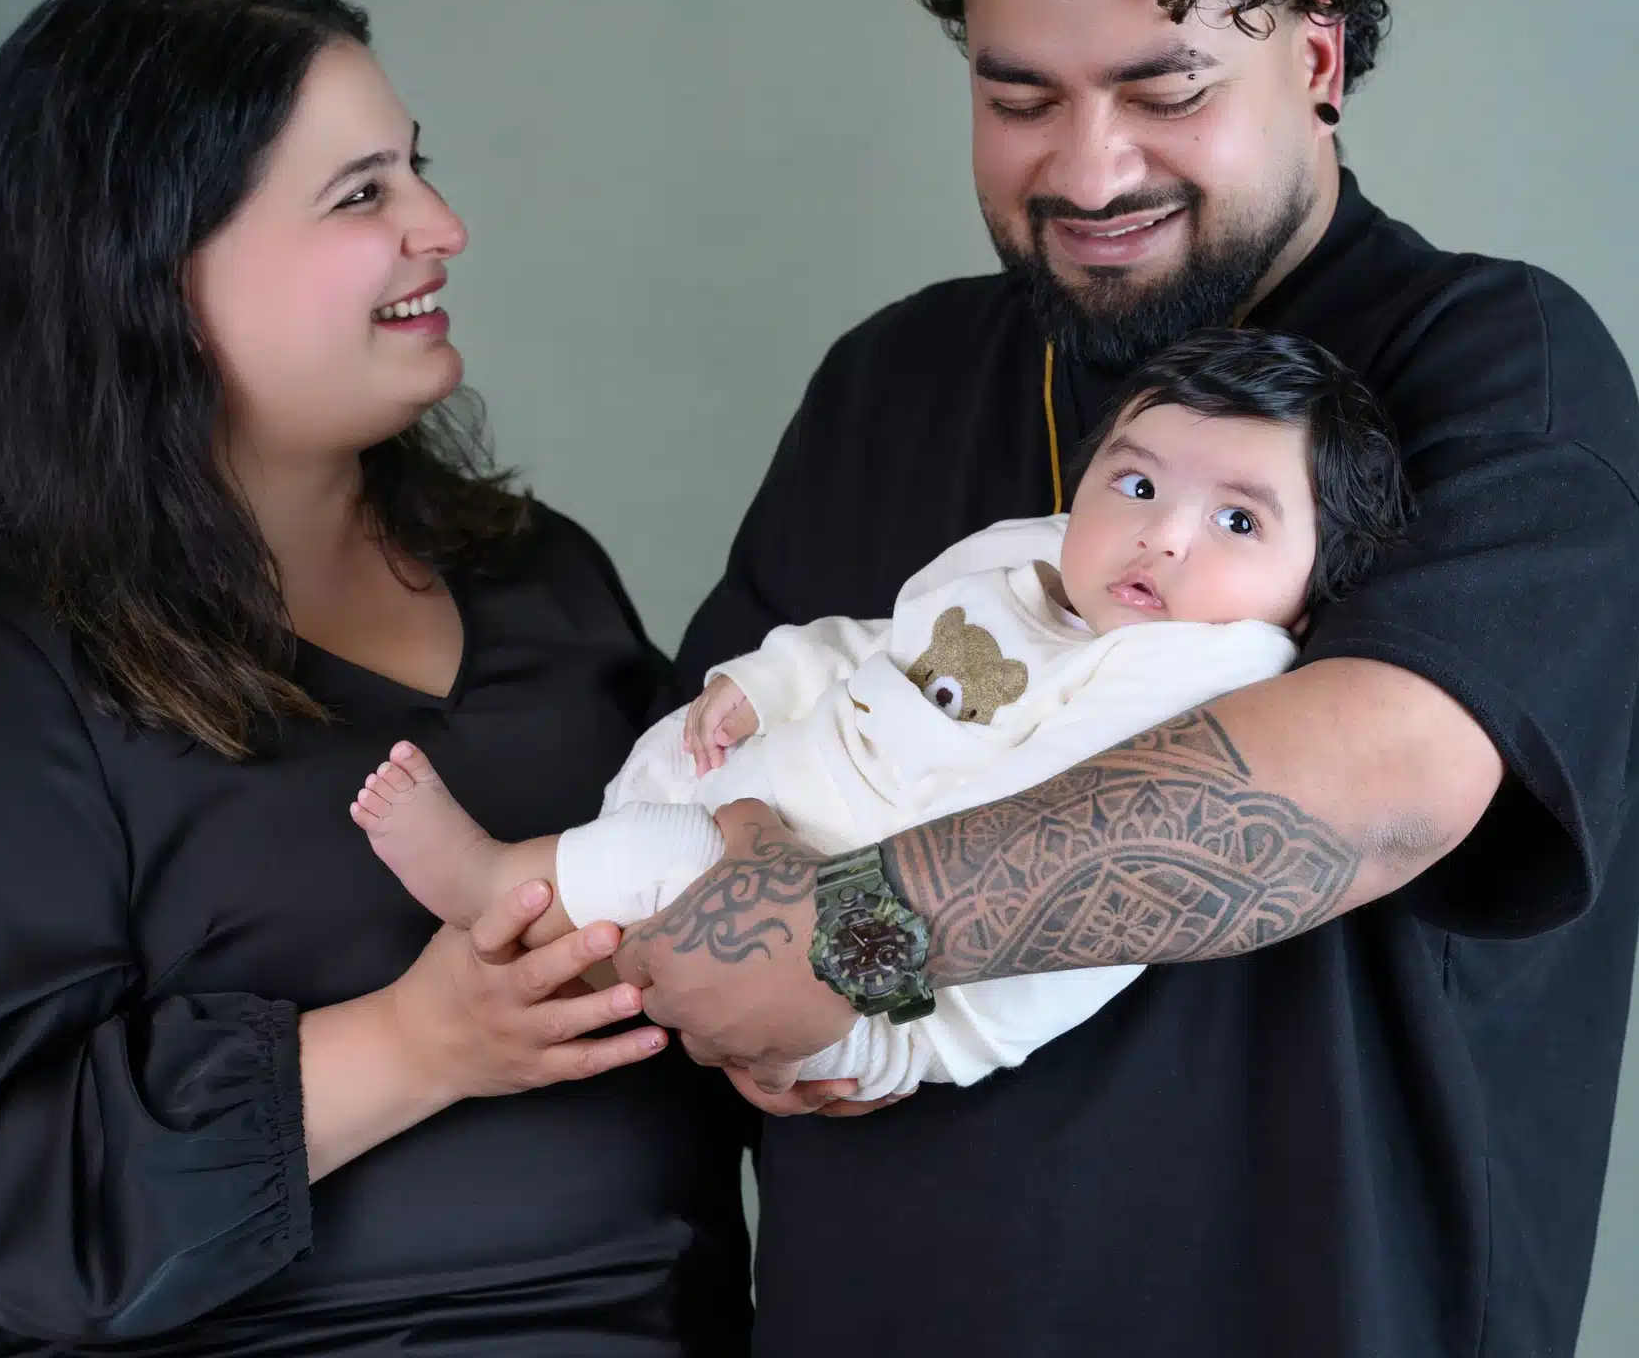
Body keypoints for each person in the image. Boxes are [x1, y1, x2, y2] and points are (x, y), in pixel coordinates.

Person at [612, 0, 1639, 1358]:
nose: (1085, 169)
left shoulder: (1497, 364)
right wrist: (703, 931)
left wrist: (848, 933)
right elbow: (706, 789)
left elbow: (1382, 778)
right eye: (1018, 97)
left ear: (1316, 64)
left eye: (1162, 90)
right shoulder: (895, 381)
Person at [0, 0, 749, 1358]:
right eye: (361, 192)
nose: (440, 226)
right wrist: (424, 1043)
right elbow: (20, 1201)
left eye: (417, 166)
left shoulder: (538, 574)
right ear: (155, 272)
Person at [352, 330, 1407, 1100]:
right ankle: (589, 939)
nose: (1165, 536)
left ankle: (494, 879)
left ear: (1313, 589)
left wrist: (793, 913)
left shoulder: (1204, 670)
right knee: (671, 761)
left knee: (680, 851)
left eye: (1236, 518)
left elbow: (1035, 827)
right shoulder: (1029, 565)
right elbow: (877, 644)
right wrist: (764, 687)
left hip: (888, 983)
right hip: (781, 831)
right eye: (1135, 484)